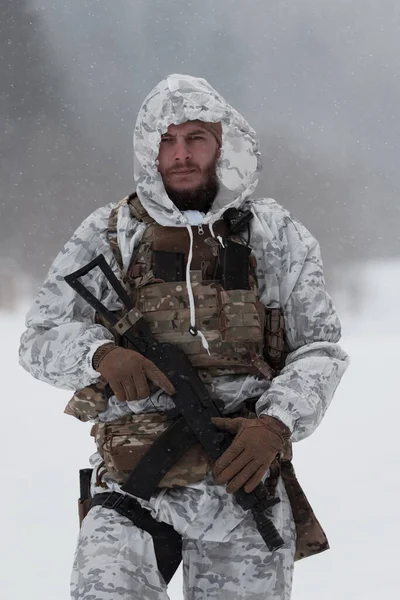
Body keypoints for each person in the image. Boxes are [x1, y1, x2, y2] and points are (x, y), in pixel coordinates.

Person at [19, 73, 349, 600]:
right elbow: (38, 339)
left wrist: (275, 422)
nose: (180, 154)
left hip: (241, 478)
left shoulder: (275, 234)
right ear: (149, 149)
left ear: (223, 143)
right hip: (133, 484)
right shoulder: (108, 233)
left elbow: (319, 349)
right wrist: (99, 355)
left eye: (195, 137)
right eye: (165, 140)